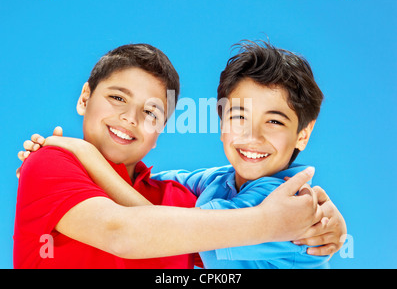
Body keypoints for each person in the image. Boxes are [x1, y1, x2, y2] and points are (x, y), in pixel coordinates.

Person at [15, 43, 342, 269]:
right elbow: (127, 228)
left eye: (151, 112)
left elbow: (152, 230)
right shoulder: (52, 163)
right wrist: (81, 155)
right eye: (117, 97)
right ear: (85, 98)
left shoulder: (279, 202)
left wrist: (321, 221)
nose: (130, 118)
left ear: (161, 132)